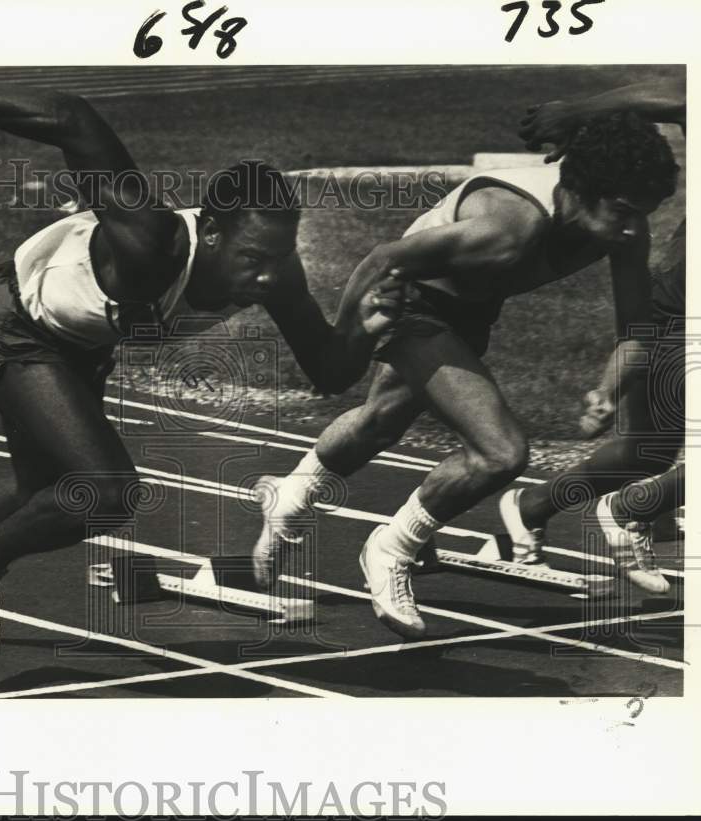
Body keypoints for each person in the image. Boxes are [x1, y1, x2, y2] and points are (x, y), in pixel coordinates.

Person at [0, 68, 404, 658]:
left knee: (43, 487)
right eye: (253, 257)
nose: (266, 277)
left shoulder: (274, 275)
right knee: (107, 490)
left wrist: (366, 328)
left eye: (280, 258)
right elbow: (73, 116)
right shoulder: (151, 242)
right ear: (209, 233)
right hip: (15, 317)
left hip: (80, 340)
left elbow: (328, 372)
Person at [252, 108, 679, 639]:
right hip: (412, 302)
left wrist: (607, 391)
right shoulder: (511, 226)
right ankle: (391, 549)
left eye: (648, 212)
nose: (636, 227)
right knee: (500, 452)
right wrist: (342, 346)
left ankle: (290, 495)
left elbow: (636, 327)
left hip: (470, 308)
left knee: (381, 421)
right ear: (584, 188)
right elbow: (384, 259)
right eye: (624, 210)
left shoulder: (620, 229)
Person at [500, 78, 686, 596]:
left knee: (644, 452)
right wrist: (582, 110)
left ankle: (530, 508)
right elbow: (686, 93)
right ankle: (633, 510)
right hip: (683, 301)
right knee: (647, 449)